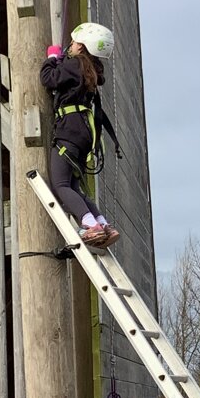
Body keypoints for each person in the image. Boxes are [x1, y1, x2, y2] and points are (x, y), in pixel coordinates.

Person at [40, 22, 120, 248]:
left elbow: (48, 79)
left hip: (69, 130)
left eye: (74, 43)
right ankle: (103, 224)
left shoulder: (74, 65)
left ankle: (91, 225)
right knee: (73, 187)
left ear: (82, 46)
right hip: (84, 134)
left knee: (61, 185)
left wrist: (52, 58)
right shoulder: (91, 70)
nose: (71, 46)